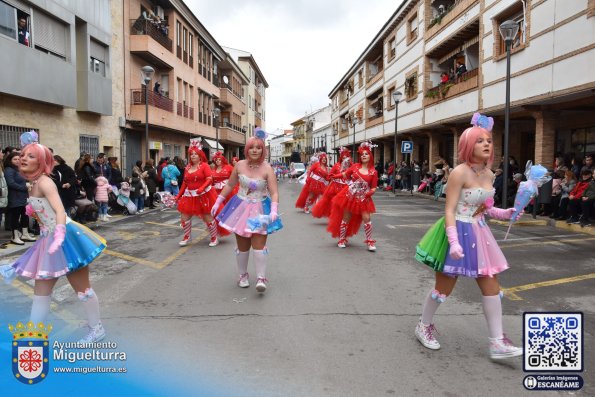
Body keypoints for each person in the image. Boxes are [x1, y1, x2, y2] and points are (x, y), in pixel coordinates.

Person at [414, 113, 523, 360]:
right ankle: (423, 325)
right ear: (467, 145)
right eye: (479, 140)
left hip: (479, 232)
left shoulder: (489, 174)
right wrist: (453, 241)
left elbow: (486, 209)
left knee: (492, 288)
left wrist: (506, 213)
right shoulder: (459, 173)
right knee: (443, 288)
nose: (486, 144)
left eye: (489, 140)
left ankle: (497, 342)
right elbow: (449, 210)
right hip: (456, 232)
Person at [0, 132, 107, 343]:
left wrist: (59, 236)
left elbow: (59, 210)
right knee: (41, 291)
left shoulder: (45, 183)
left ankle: (97, 328)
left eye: (30, 156)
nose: (23, 158)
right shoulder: (34, 184)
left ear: (41, 161)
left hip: (66, 239)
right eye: (23, 155)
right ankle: (34, 336)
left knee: (82, 289)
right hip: (48, 240)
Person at [212, 128, 282, 292]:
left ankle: (260, 278)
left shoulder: (267, 168)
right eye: (252, 147)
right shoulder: (239, 165)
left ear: (262, 150)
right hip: (240, 208)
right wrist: (218, 200)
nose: (255, 150)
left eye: (258, 147)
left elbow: (274, 192)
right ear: (247, 149)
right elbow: (230, 185)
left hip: (260, 210)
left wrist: (273, 209)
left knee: (259, 245)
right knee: (242, 246)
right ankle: (242, 275)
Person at [326, 141, 379, 251]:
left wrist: (369, 193)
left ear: (370, 156)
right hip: (350, 196)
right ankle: (342, 239)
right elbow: (345, 174)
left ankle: (370, 242)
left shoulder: (373, 172)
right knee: (346, 218)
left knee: (367, 218)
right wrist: (334, 176)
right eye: (362, 154)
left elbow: (374, 187)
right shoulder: (355, 167)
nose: (364, 155)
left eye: (366, 153)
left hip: (364, 198)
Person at [175, 142, 226, 247]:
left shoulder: (205, 166)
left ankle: (214, 237)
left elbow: (209, 179)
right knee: (184, 216)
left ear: (200, 155)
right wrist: (178, 195)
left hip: (204, 195)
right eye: (191, 154)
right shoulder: (188, 167)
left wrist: (201, 188)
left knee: (208, 216)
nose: (193, 155)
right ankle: (187, 237)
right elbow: (185, 182)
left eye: (195, 154)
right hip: (190, 196)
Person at [3, 152, 36, 245]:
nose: (17, 161)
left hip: (23, 197)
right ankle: (14, 236)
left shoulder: (19, 169)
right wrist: (25, 187)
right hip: (14, 197)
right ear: (10, 160)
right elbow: (11, 183)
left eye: (19, 159)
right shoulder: (9, 170)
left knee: (25, 215)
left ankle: (25, 234)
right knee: (15, 217)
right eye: (15, 159)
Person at [312, 148, 351, 218]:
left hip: (346, 188)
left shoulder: (351, 166)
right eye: (343, 157)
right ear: (341, 157)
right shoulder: (336, 165)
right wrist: (332, 178)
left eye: (346, 158)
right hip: (335, 187)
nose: (344, 159)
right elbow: (330, 175)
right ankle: (334, 216)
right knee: (333, 203)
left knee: (344, 204)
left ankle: (342, 218)